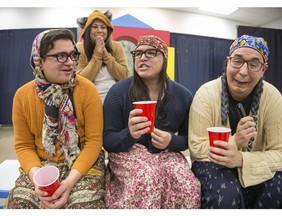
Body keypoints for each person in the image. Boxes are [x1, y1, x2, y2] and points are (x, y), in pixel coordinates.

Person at [5, 29, 105, 209]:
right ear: (40, 61)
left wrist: (68, 183)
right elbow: (24, 145)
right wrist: (38, 179)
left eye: (73, 55)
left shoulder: (87, 90)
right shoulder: (23, 96)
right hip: (43, 164)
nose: (69, 63)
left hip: (82, 161)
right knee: (21, 201)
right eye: (60, 56)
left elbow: (94, 142)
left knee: (83, 203)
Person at [188, 34, 282, 208]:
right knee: (226, 195)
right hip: (213, 163)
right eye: (237, 61)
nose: (243, 71)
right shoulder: (205, 94)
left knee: (280, 188)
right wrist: (234, 141)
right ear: (228, 62)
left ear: (263, 69)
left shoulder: (273, 98)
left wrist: (241, 159)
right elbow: (196, 149)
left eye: (254, 64)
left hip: (253, 162)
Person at [103, 35, 201, 209]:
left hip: (166, 153)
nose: (142, 57)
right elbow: (108, 140)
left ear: (165, 58)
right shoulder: (118, 92)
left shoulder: (183, 95)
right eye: (138, 53)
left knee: (187, 185)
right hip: (128, 152)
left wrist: (171, 140)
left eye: (151, 53)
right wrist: (129, 134)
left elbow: (190, 139)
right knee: (147, 178)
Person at [76, 10, 129, 103]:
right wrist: (97, 54)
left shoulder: (117, 46)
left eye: (103, 27)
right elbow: (80, 80)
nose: (99, 30)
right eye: (95, 27)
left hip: (116, 98)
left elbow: (123, 75)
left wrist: (106, 54)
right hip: (89, 100)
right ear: (88, 30)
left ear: (108, 31)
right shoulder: (80, 48)